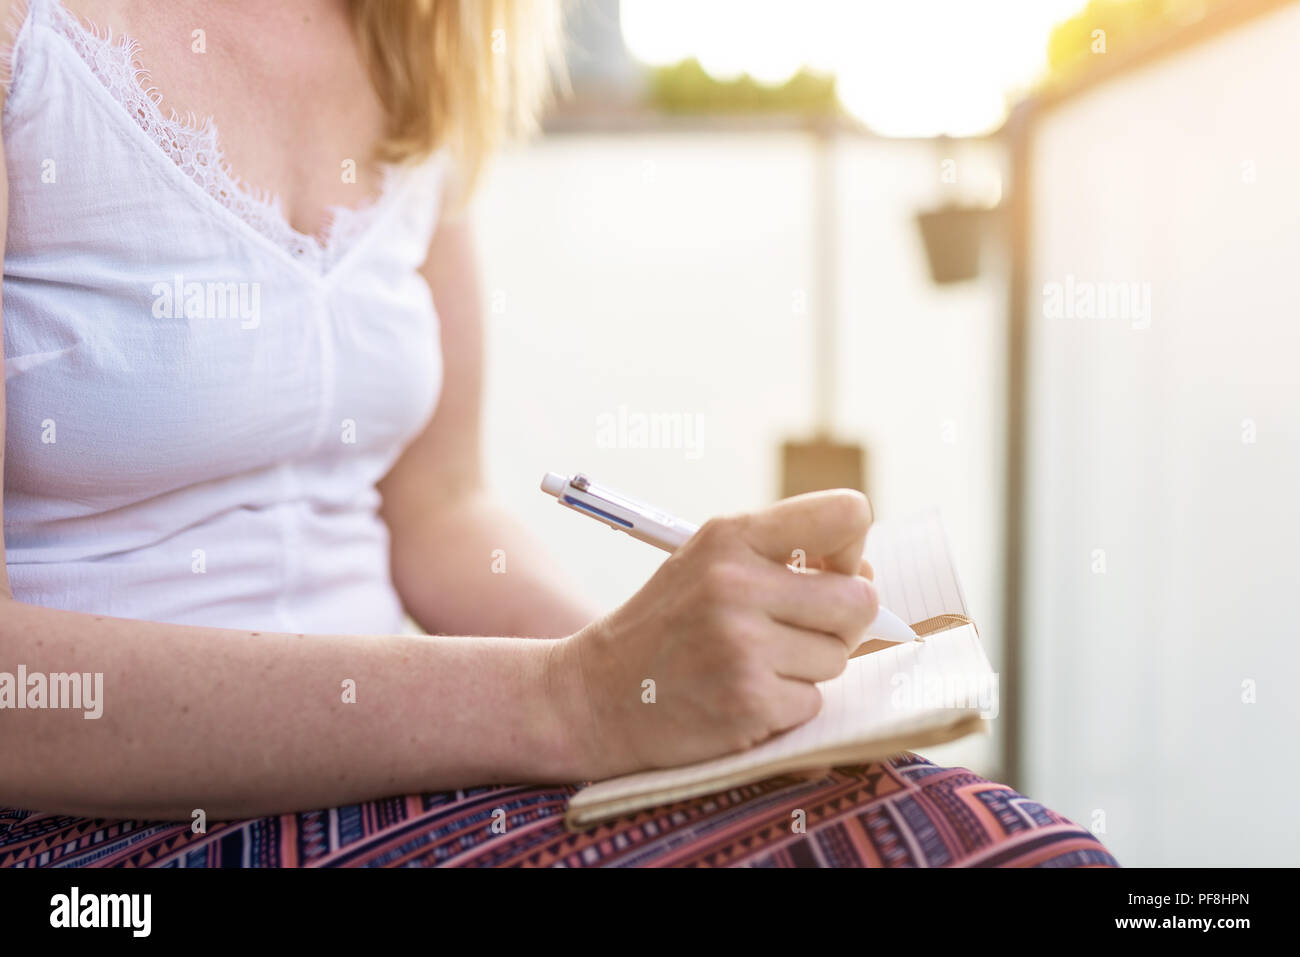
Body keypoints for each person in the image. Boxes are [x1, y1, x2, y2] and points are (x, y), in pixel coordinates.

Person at [0, 0, 1116, 867]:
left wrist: (673, 682)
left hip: (391, 767)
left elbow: (437, 515)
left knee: (994, 844)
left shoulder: (415, 50)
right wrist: (571, 698)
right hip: (84, 822)